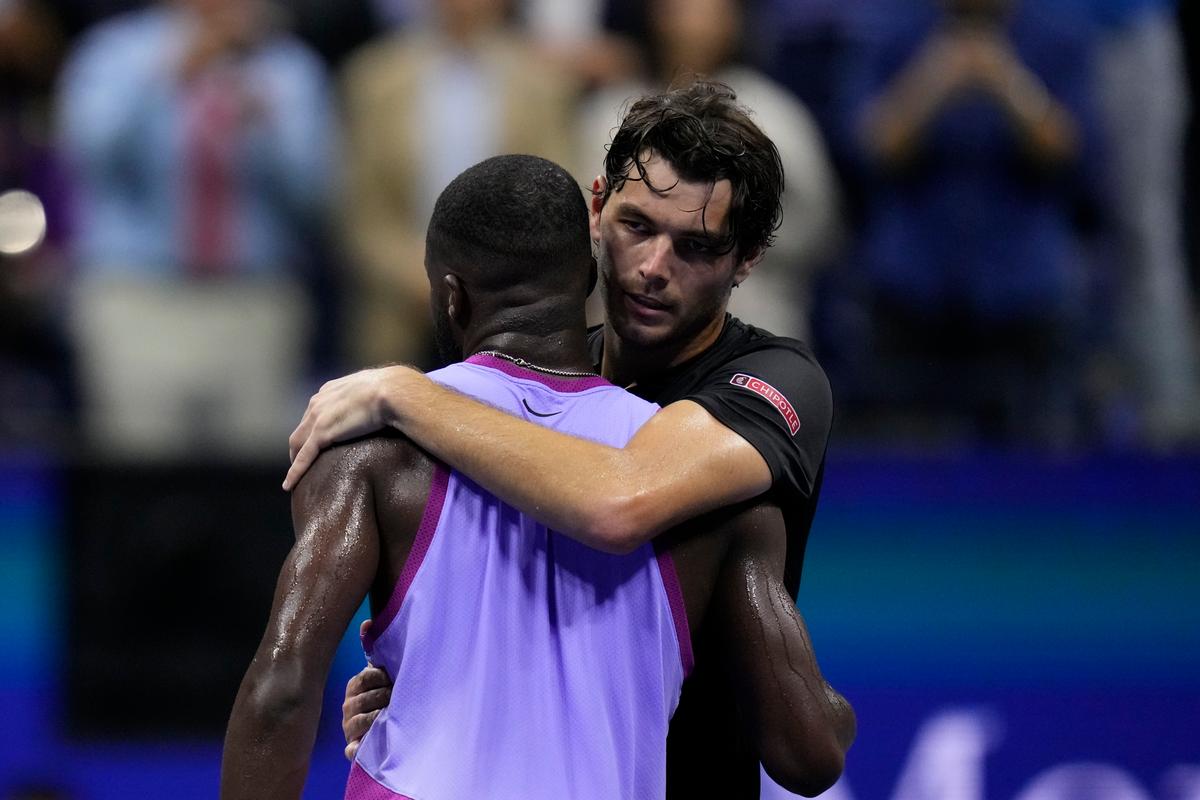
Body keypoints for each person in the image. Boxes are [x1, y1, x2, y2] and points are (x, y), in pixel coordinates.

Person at [222, 154, 852, 799]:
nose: (654, 268)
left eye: (694, 246)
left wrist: (401, 394)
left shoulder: (371, 447)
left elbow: (283, 690)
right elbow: (807, 751)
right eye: (639, 228)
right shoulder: (715, 495)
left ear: (450, 295)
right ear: (592, 255)